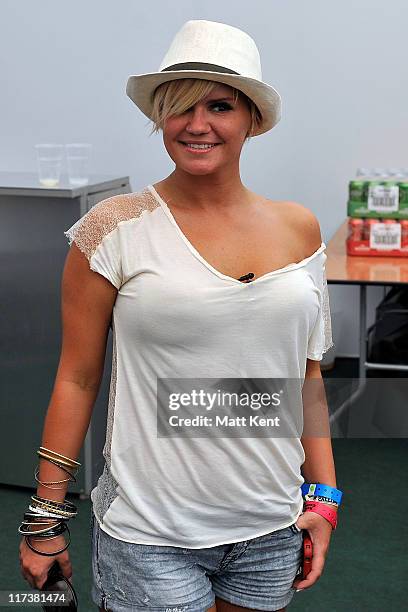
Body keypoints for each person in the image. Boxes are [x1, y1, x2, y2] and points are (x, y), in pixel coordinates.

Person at [19, 19, 342, 612]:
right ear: (160, 119)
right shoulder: (112, 229)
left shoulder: (300, 229)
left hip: (271, 523)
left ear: (251, 119)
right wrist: (45, 518)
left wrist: (324, 499)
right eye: (179, 108)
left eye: (219, 105)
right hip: (150, 530)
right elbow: (77, 377)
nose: (197, 124)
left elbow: (307, 374)